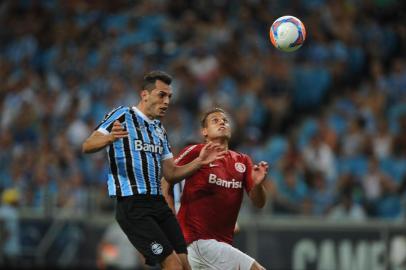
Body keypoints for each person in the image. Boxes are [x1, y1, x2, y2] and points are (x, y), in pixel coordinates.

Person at [82, 71, 225, 270]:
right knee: (172, 264)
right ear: (144, 95)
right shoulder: (122, 115)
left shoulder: (159, 129)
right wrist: (109, 138)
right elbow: (87, 145)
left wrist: (199, 163)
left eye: (169, 97)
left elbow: (171, 174)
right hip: (133, 206)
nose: (166, 101)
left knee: (186, 264)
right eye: (161, 95)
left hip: (158, 204)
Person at [163, 108, 269, 270]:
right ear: (204, 131)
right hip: (198, 241)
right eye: (215, 120)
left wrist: (258, 184)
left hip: (220, 244)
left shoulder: (243, 161)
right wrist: (171, 223)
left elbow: (259, 203)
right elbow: (166, 181)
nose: (222, 122)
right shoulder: (197, 152)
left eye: (225, 120)